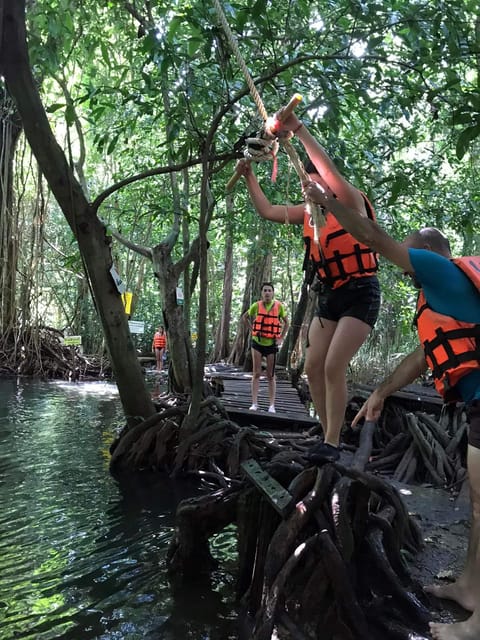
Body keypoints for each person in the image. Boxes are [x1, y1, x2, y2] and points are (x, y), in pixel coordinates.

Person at [301, 180, 480, 640]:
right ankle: (468, 590)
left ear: (426, 254)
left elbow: (375, 239)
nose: (405, 269)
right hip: (478, 407)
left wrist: (328, 204)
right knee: (479, 507)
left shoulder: (439, 270)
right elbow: (423, 357)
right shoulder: (442, 294)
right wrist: (380, 392)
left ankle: (476, 626)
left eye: (409, 259)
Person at [236, 115, 381, 462]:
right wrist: (249, 176)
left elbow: (327, 170)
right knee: (313, 367)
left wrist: (298, 130)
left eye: (314, 182)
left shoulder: (348, 201)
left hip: (361, 293)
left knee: (333, 365)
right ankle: (328, 430)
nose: (309, 187)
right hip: (329, 296)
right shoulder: (307, 213)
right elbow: (268, 210)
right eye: (306, 185)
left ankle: (333, 444)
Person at [242, 282, 289, 413]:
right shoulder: (256, 306)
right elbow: (244, 318)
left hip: (271, 345)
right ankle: (254, 403)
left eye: (269, 290)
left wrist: (281, 338)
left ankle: (272, 405)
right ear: (262, 293)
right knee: (256, 373)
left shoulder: (279, 306)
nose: (267, 293)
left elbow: (287, 323)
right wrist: (252, 330)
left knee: (270, 375)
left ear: (273, 293)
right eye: (265, 291)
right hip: (257, 343)